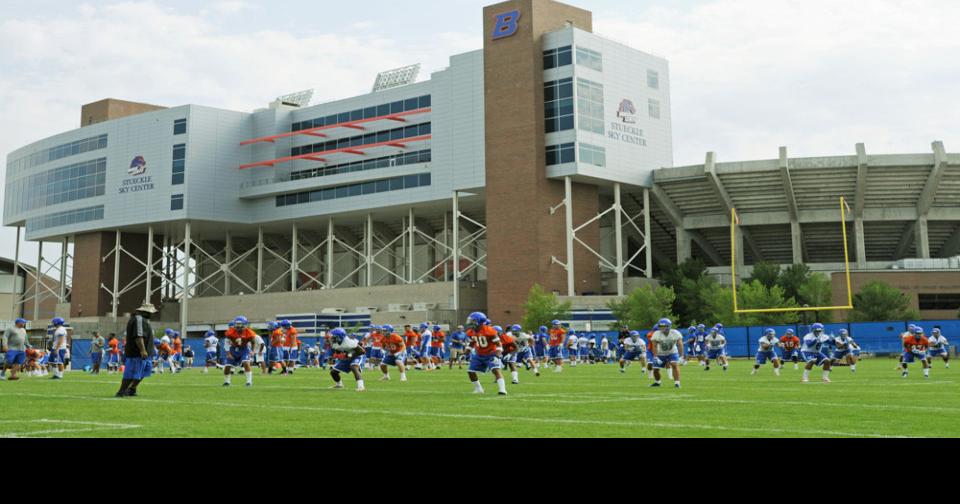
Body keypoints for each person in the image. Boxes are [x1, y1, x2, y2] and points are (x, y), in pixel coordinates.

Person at [116, 304, 158, 397]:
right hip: (136, 353)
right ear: (143, 312)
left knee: (144, 371)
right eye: (149, 312)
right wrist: (142, 350)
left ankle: (131, 389)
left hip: (146, 353)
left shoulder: (143, 320)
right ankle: (121, 391)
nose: (151, 314)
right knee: (131, 373)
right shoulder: (138, 319)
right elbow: (139, 336)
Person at [465, 312, 507, 396]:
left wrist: (497, 355)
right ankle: (478, 389)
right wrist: (467, 352)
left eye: (472, 320)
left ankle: (503, 390)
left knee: (496, 370)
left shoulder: (489, 330)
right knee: (470, 371)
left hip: (491, 353)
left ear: (479, 321)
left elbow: (499, 344)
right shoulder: (471, 331)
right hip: (479, 354)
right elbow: (472, 342)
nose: (470, 322)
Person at [649, 319, 683, 388]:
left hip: (672, 352)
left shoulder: (675, 333)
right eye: (660, 326)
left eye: (663, 326)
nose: (662, 328)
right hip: (660, 353)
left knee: (674, 364)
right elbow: (654, 346)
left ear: (668, 326)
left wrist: (681, 356)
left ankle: (677, 383)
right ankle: (657, 382)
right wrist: (655, 357)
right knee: (655, 369)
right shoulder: (656, 333)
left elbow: (680, 344)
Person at [223, 316, 256, 387]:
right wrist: (228, 353)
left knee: (246, 363)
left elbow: (253, 342)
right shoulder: (231, 331)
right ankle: (227, 382)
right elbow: (226, 343)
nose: (238, 326)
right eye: (237, 324)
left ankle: (249, 382)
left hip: (244, 349)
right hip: (233, 349)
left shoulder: (249, 332)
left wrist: (252, 351)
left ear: (244, 324)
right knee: (227, 367)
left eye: (240, 324)